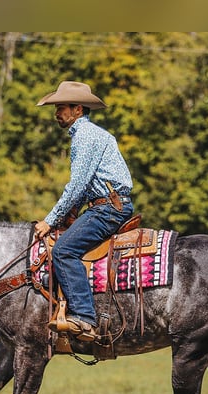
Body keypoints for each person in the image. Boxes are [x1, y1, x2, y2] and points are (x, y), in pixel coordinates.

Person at [34, 81, 134, 342]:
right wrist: (71, 214)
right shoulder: (88, 134)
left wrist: (50, 220)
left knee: (64, 251)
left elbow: (78, 184)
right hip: (105, 204)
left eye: (61, 108)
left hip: (108, 208)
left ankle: (85, 318)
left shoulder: (86, 136)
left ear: (77, 109)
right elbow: (87, 183)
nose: (57, 113)